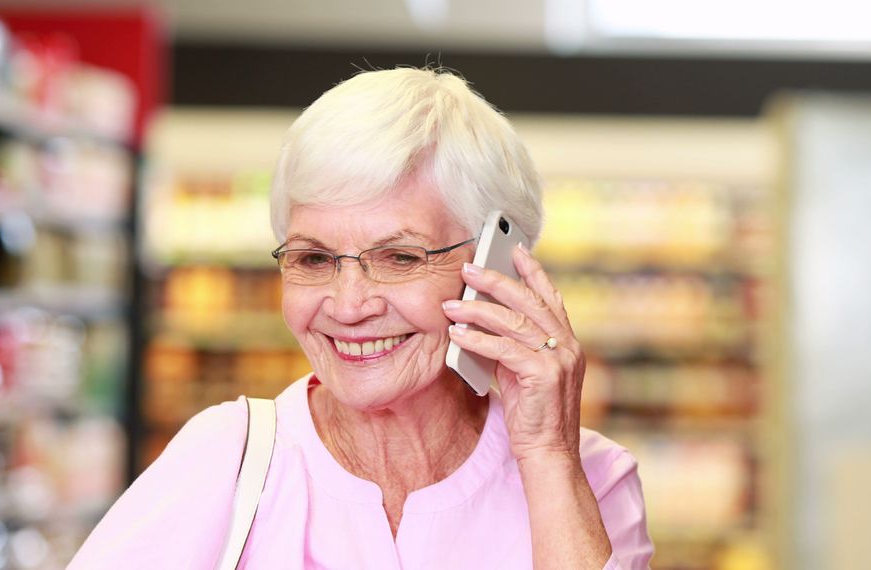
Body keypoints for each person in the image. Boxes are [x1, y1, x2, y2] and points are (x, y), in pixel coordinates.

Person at [69, 67, 653, 569]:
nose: (349, 307)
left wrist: (549, 455)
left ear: (497, 264)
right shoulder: (227, 457)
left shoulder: (588, 480)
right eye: (314, 258)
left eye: (400, 257)